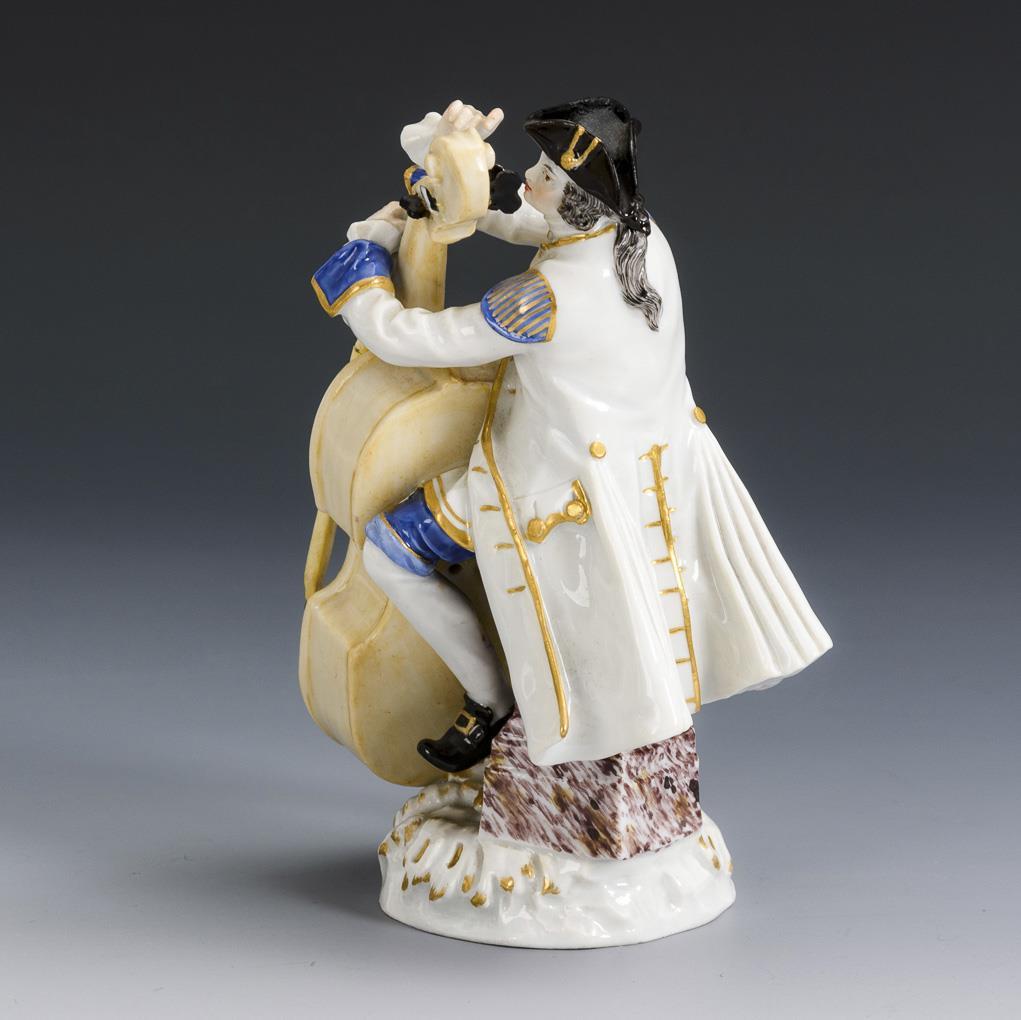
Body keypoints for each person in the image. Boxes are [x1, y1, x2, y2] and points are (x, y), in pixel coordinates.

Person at [311, 97, 832, 773]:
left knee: (390, 550)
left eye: (546, 175)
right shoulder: (639, 237)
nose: (529, 179)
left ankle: (488, 700)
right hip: (654, 476)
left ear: (580, 201)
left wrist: (362, 260)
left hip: (559, 491)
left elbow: (408, 339)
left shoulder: (542, 299)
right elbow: (525, 216)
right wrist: (449, 163)